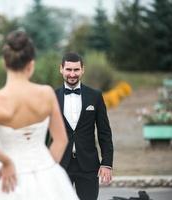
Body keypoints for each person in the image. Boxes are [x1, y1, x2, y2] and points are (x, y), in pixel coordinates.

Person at [0, 31, 79, 200]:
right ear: (31, 64)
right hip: (47, 174)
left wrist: (7, 162)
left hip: (9, 181)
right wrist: (46, 171)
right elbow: (61, 140)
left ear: (4, 63)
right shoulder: (46, 94)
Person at [55, 52, 114, 200]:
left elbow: (104, 132)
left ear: (83, 70)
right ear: (61, 69)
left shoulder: (95, 96)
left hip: (88, 165)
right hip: (60, 165)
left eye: (76, 70)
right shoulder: (51, 97)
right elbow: (45, 133)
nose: (72, 74)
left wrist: (106, 163)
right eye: (68, 69)